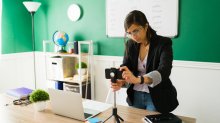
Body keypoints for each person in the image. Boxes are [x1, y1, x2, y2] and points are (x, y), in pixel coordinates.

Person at [111, 10, 179, 113]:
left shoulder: (163, 43)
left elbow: (164, 71)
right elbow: (126, 67)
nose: (133, 36)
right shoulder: (130, 44)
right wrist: (121, 81)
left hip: (157, 97)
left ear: (146, 26)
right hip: (135, 95)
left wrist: (139, 80)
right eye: (129, 33)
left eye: (136, 31)